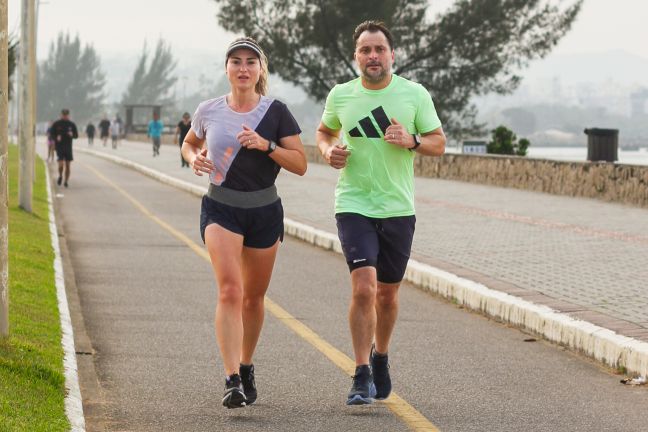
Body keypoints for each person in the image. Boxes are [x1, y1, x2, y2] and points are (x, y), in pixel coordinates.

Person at [315, 20, 446, 406]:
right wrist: (328, 151)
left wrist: (412, 140)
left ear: (392, 54)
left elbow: (438, 143)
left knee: (387, 296)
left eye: (379, 49)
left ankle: (381, 356)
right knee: (364, 287)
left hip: (398, 208)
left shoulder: (413, 94)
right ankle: (360, 372)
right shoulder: (341, 95)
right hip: (354, 203)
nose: (373, 56)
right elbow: (324, 133)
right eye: (365, 50)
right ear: (356, 57)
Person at [182, 37, 306, 409]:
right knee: (230, 291)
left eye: (250, 62)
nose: (243, 68)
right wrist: (192, 158)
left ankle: (247, 364)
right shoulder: (208, 109)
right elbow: (189, 143)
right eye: (235, 61)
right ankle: (231, 378)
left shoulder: (276, 111)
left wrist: (265, 145)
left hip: (265, 212)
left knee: (253, 297)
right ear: (226, 68)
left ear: (259, 70)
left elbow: (300, 164)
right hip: (221, 209)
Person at [51, 108, 79, 188]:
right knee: (61, 164)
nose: (65, 116)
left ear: (68, 115)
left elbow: (76, 136)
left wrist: (72, 135)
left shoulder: (72, 124)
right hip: (59, 147)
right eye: (63, 115)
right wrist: (56, 138)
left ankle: (66, 181)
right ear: (61, 115)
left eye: (66, 115)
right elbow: (52, 134)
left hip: (68, 147)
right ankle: (60, 175)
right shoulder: (56, 124)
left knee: (68, 165)